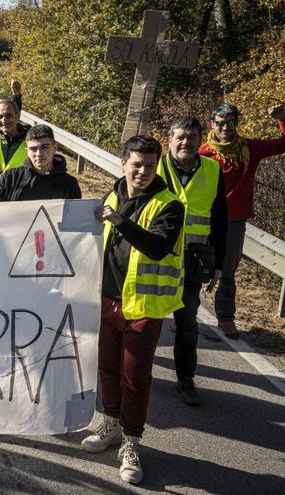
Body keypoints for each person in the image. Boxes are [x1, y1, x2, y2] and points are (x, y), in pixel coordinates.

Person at [81, 134, 185, 484]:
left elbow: (157, 247)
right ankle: (110, 423)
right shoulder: (112, 194)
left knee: (135, 379)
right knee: (107, 370)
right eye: (136, 164)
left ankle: (131, 442)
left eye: (150, 165)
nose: (142, 171)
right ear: (123, 162)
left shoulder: (170, 204)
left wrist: (121, 222)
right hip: (107, 299)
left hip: (143, 307)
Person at [199, 103, 285, 338]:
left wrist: (282, 118)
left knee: (228, 272)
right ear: (212, 124)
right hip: (204, 218)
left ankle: (225, 319)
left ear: (237, 123)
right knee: (196, 264)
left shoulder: (250, 149)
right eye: (220, 122)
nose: (225, 127)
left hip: (234, 221)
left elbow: (283, 143)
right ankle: (186, 315)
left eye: (230, 122)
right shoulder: (203, 153)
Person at [158, 117, 228, 406]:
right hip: (156, 255)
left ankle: (185, 378)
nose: (186, 142)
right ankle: (136, 374)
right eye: (180, 137)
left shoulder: (213, 169)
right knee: (145, 318)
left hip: (193, 260)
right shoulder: (154, 165)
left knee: (187, 322)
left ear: (201, 140)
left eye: (192, 137)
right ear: (170, 140)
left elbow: (220, 220)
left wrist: (220, 264)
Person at [0, 124, 81, 201]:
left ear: (55, 148)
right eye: (33, 149)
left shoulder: (69, 184)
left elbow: (76, 219)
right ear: (27, 151)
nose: (39, 154)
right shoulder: (10, 177)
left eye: (44, 147)